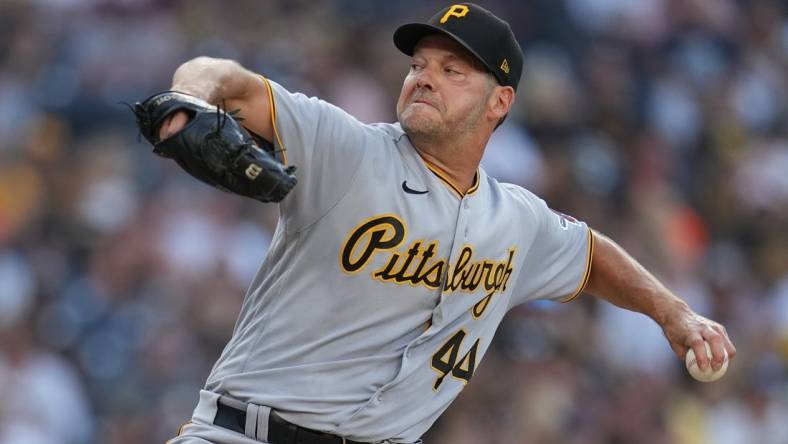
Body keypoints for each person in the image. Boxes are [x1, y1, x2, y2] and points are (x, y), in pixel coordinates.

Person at [158, 4, 735, 444]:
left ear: (499, 102)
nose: (423, 77)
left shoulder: (516, 219)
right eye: (417, 65)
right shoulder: (348, 149)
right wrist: (188, 99)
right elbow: (222, 76)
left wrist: (674, 314)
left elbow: (589, 256)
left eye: (452, 69)